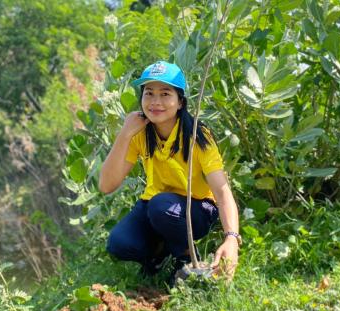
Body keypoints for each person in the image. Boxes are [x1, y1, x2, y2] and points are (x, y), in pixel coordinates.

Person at [99, 61, 240, 285]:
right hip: (157, 206)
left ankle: (186, 260)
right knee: (119, 243)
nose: (155, 102)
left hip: (198, 208)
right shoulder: (140, 134)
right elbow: (106, 185)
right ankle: (160, 255)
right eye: (149, 93)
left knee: (161, 207)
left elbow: (222, 193)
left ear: (180, 101)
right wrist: (124, 135)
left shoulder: (197, 135)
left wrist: (231, 238)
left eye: (165, 94)